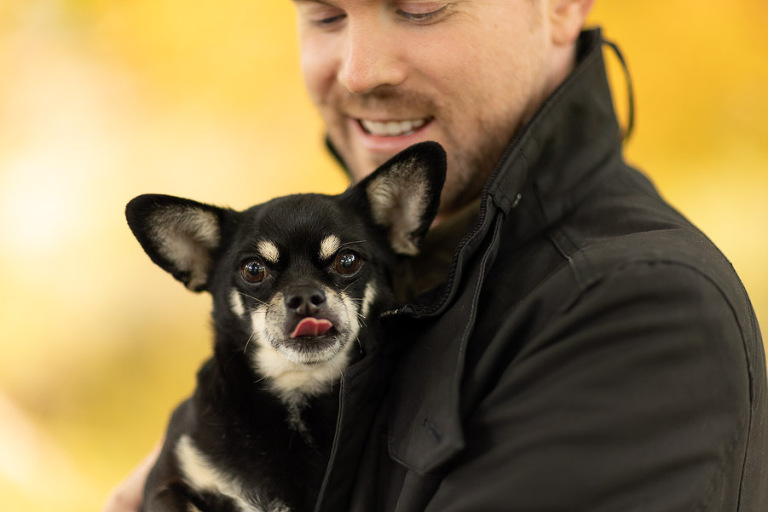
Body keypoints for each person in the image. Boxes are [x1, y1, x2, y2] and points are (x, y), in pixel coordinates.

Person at [105, 1, 768, 510]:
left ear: (562, 5)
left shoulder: (637, 311)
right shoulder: (412, 281)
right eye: (327, 14)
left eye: (421, 7)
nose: (360, 70)